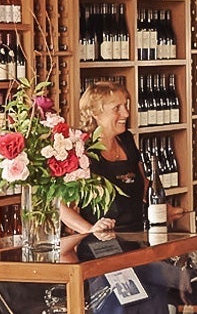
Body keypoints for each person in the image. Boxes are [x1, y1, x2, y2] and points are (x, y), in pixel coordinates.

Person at [58, 80, 152, 235]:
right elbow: (62, 207)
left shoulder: (126, 139)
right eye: (117, 108)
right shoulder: (82, 149)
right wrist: (91, 230)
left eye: (125, 105)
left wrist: (163, 208)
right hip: (101, 243)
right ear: (95, 113)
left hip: (137, 234)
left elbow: (144, 185)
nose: (126, 113)